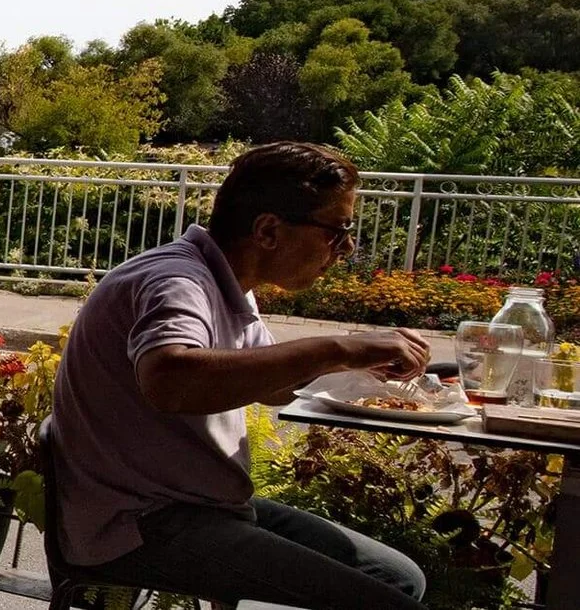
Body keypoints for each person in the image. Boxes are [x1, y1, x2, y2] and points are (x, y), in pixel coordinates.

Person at [50, 141, 429, 609]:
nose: (346, 249)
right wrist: (336, 346)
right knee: (391, 603)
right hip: (139, 523)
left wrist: (352, 362)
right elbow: (169, 379)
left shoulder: (227, 283)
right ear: (268, 230)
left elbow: (271, 386)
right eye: (337, 231)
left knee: (397, 577)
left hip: (197, 507)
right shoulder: (178, 282)